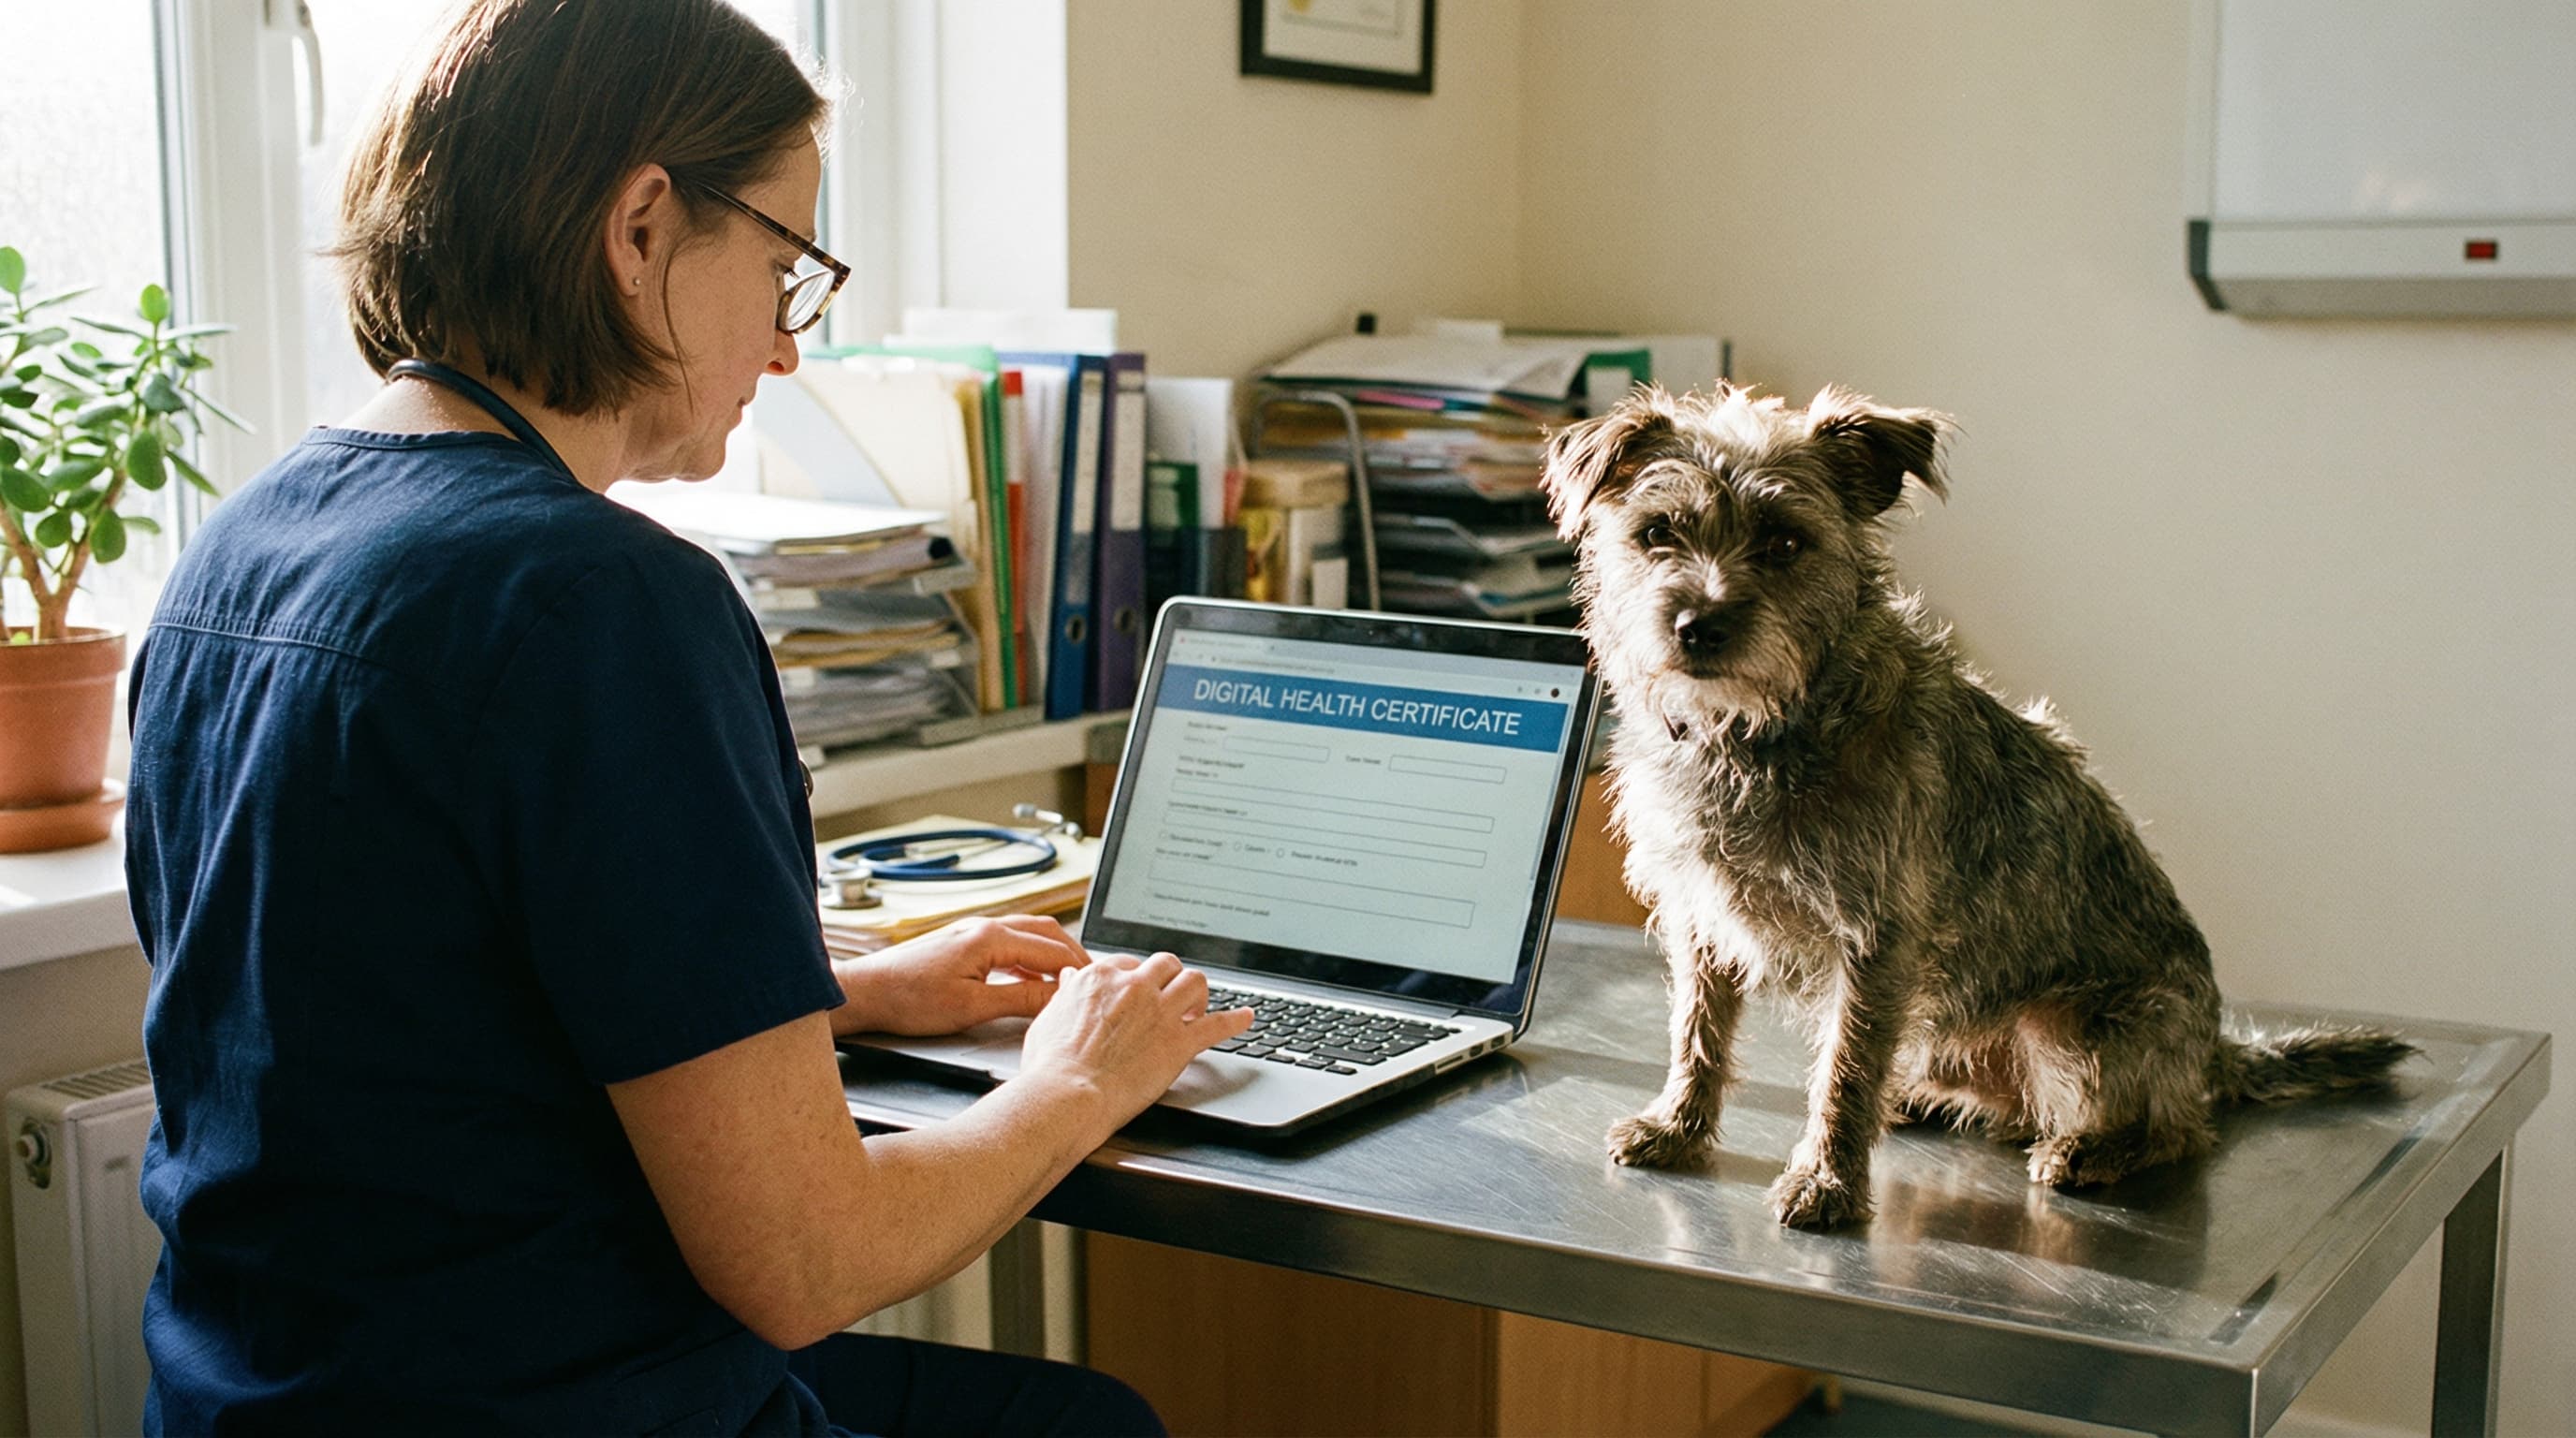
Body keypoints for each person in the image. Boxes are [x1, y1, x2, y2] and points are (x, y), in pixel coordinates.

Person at [121, 2, 1250, 1431]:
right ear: (644, 228)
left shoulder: (238, 548)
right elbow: (810, 1261)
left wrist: (839, 998)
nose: (786, 351)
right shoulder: (598, 602)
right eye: (786, 267)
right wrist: (1082, 1078)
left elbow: (419, 1040)